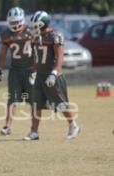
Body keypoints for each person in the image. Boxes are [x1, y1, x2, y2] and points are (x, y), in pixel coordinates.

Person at [24, 11, 80, 140]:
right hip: (40, 76)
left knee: (61, 104)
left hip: (53, 76)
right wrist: (33, 70)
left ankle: (73, 125)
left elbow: (59, 57)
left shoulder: (55, 36)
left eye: (35, 26)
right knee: (36, 104)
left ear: (42, 25)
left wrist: (54, 73)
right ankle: (34, 132)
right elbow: (38, 58)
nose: (33, 28)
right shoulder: (36, 38)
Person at [0, 7, 34, 135]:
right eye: (12, 22)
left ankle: (34, 128)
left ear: (22, 20)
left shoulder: (32, 31)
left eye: (16, 21)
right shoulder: (6, 34)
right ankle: (7, 126)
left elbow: (39, 50)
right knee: (13, 99)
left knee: (33, 99)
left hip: (31, 70)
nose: (14, 24)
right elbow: (3, 52)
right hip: (15, 70)